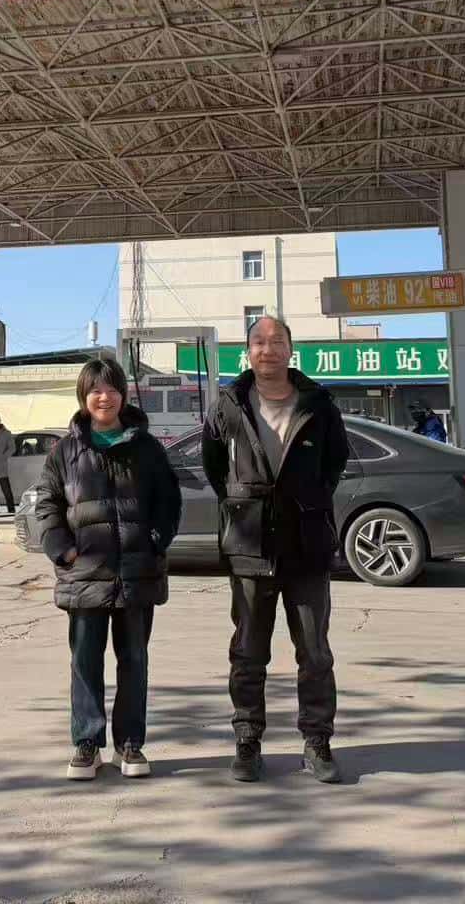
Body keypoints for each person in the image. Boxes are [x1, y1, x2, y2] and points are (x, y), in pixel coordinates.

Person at [203, 314, 349, 784]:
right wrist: (243, 504)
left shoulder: (318, 404)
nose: (268, 349)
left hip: (306, 545)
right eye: (259, 342)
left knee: (315, 652)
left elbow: (335, 462)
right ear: (247, 352)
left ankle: (317, 741)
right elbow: (213, 464)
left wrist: (305, 501)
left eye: (277, 341)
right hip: (250, 545)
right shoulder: (228, 404)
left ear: (290, 349)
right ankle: (247, 741)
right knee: (248, 652)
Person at [32, 357, 182, 782]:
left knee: (133, 659)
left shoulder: (147, 448)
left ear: (123, 395)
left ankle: (130, 743)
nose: (104, 397)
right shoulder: (64, 452)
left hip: (137, 572)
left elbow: (169, 501)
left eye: (112, 389)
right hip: (84, 575)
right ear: (84, 396)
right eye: (96, 390)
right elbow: (47, 505)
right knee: (85, 661)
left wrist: (155, 540)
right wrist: (63, 551)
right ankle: (87, 743)